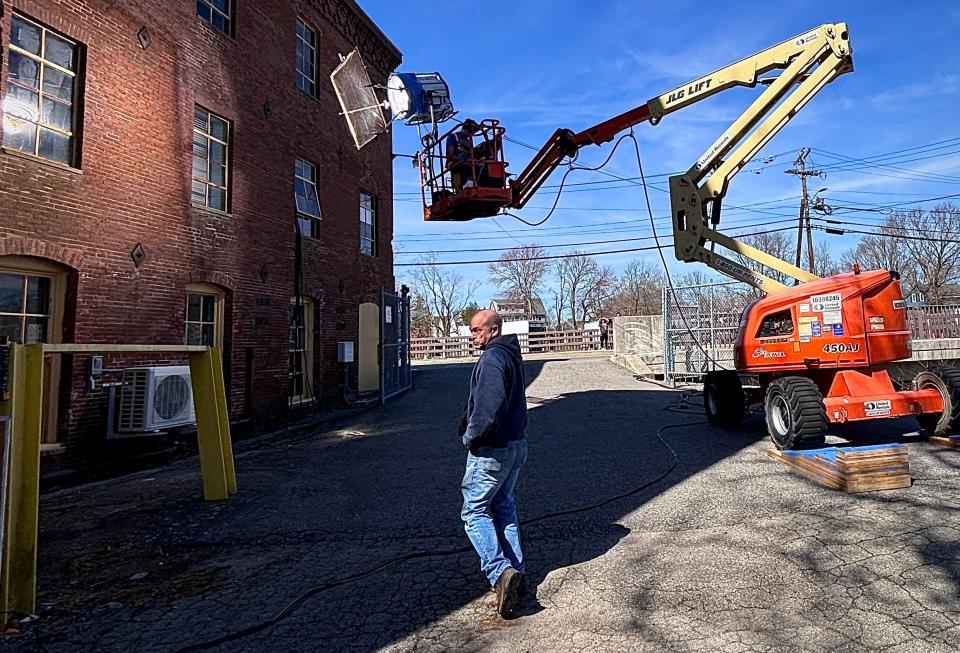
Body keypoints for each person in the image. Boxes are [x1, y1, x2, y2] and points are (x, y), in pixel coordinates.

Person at [458, 309, 529, 618]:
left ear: (494, 330)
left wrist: (470, 438)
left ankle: (500, 572)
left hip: (493, 448)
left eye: (477, 331)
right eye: (471, 331)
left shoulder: (491, 359)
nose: (473, 336)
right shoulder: (511, 355)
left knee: (473, 511)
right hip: (516, 443)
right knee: (503, 506)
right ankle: (517, 573)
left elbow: (489, 406)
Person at [445, 119, 480, 191]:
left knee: (481, 168)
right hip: (455, 163)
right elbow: (449, 155)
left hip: (468, 162)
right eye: (470, 132)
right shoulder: (453, 136)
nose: (471, 134)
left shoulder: (468, 141)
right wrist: (464, 160)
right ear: (465, 129)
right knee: (466, 167)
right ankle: (465, 185)